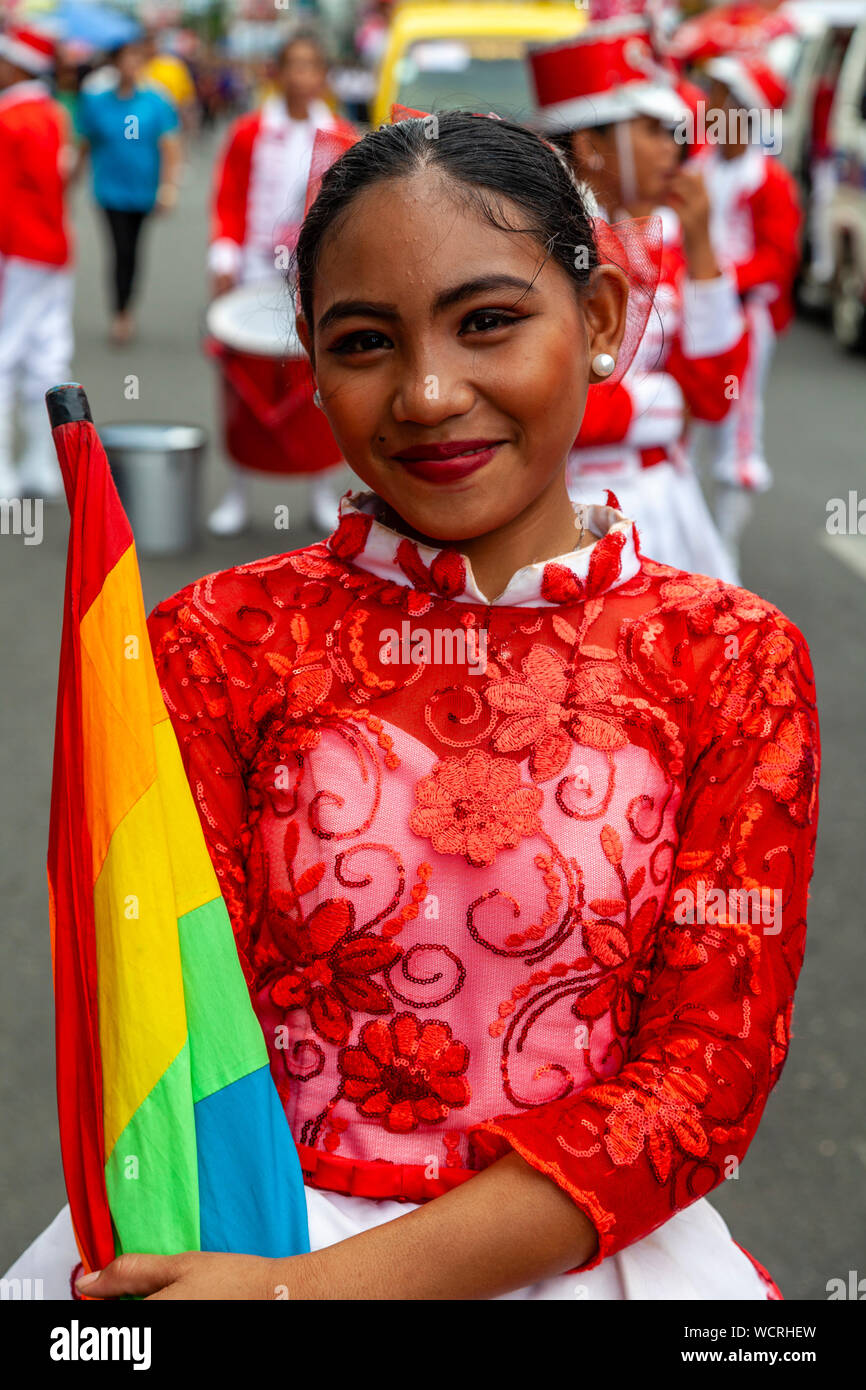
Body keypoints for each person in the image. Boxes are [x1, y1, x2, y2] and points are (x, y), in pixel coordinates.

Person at [6, 112, 820, 1300]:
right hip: (248, 1228)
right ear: (309, 357)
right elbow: (167, 1025)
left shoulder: (730, 661)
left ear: (596, 322)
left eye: (487, 321)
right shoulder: (212, 646)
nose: (430, 393)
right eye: (364, 341)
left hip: (589, 1257)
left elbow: (704, 1079)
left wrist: (323, 1295)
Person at [529, 17, 748, 584]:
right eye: (651, 130)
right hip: (571, 517)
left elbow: (715, 397)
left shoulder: (663, 241)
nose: (673, 149)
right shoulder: (536, 252)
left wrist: (702, 250)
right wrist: (653, 406)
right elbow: (536, 409)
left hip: (670, 505)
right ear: (589, 146)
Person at [206, 28, 357, 538]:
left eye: (311, 66)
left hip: (312, 276)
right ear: (278, 71)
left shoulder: (340, 135)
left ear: (322, 75)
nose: (302, 77)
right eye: (292, 65)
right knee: (246, 384)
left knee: (315, 381)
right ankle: (239, 489)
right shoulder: (250, 131)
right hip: (253, 270)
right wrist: (223, 254)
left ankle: (319, 487)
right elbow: (227, 195)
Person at [698, 56, 801, 572]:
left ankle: (723, 561)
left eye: (722, 98)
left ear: (747, 110)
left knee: (735, 433)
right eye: (711, 96)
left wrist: (717, 278)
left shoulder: (769, 179)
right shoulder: (698, 166)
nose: (710, 108)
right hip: (692, 316)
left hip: (741, 321)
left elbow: (779, 258)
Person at [0, 24, 73, 502]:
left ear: (20, 64)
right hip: (53, 248)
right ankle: (43, 466)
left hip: (13, 251)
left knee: (5, 357)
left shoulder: (7, 118)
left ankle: (4, 469)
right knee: (48, 357)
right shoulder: (52, 114)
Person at [76, 40, 181, 345]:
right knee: (119, 249)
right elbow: (85, 142)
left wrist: (167, 187)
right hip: (109, 189)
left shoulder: (155, 101)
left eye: (136, 57)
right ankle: (120, 313)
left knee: (133, 250)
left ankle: (127, 304)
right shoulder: (97, 101)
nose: (130, 64)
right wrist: (71, 179)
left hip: (143, 190)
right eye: (124, 58)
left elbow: (170, 145)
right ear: (114, 63)